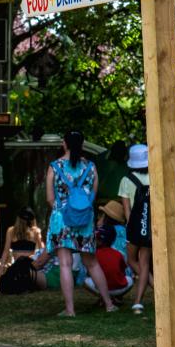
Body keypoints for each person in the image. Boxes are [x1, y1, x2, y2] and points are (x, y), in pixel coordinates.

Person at [46, 131, 103, 316]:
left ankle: (70, 310)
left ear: (64, 143)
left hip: (61, 220)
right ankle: (109, 304)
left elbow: (49, 198)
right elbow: (93, 195)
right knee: (92, 263)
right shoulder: (91, 167)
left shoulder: (54, 167)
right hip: (85, 220)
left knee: (65, 263)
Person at [119, 143, 153, 314]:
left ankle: (151, 290)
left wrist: (129, 226)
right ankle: (138, 302)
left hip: (133, 228)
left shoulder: (126, 180)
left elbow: (127, 209)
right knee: (145, 262)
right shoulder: (155, 177)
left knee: (131, 260)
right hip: (150, 227)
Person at [0, 207, 44, 278]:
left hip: (21, 265)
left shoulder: (11, 231)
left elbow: (6, 251)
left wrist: (1, 268)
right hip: (29, 265)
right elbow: (42, 250)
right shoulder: (36, 231)